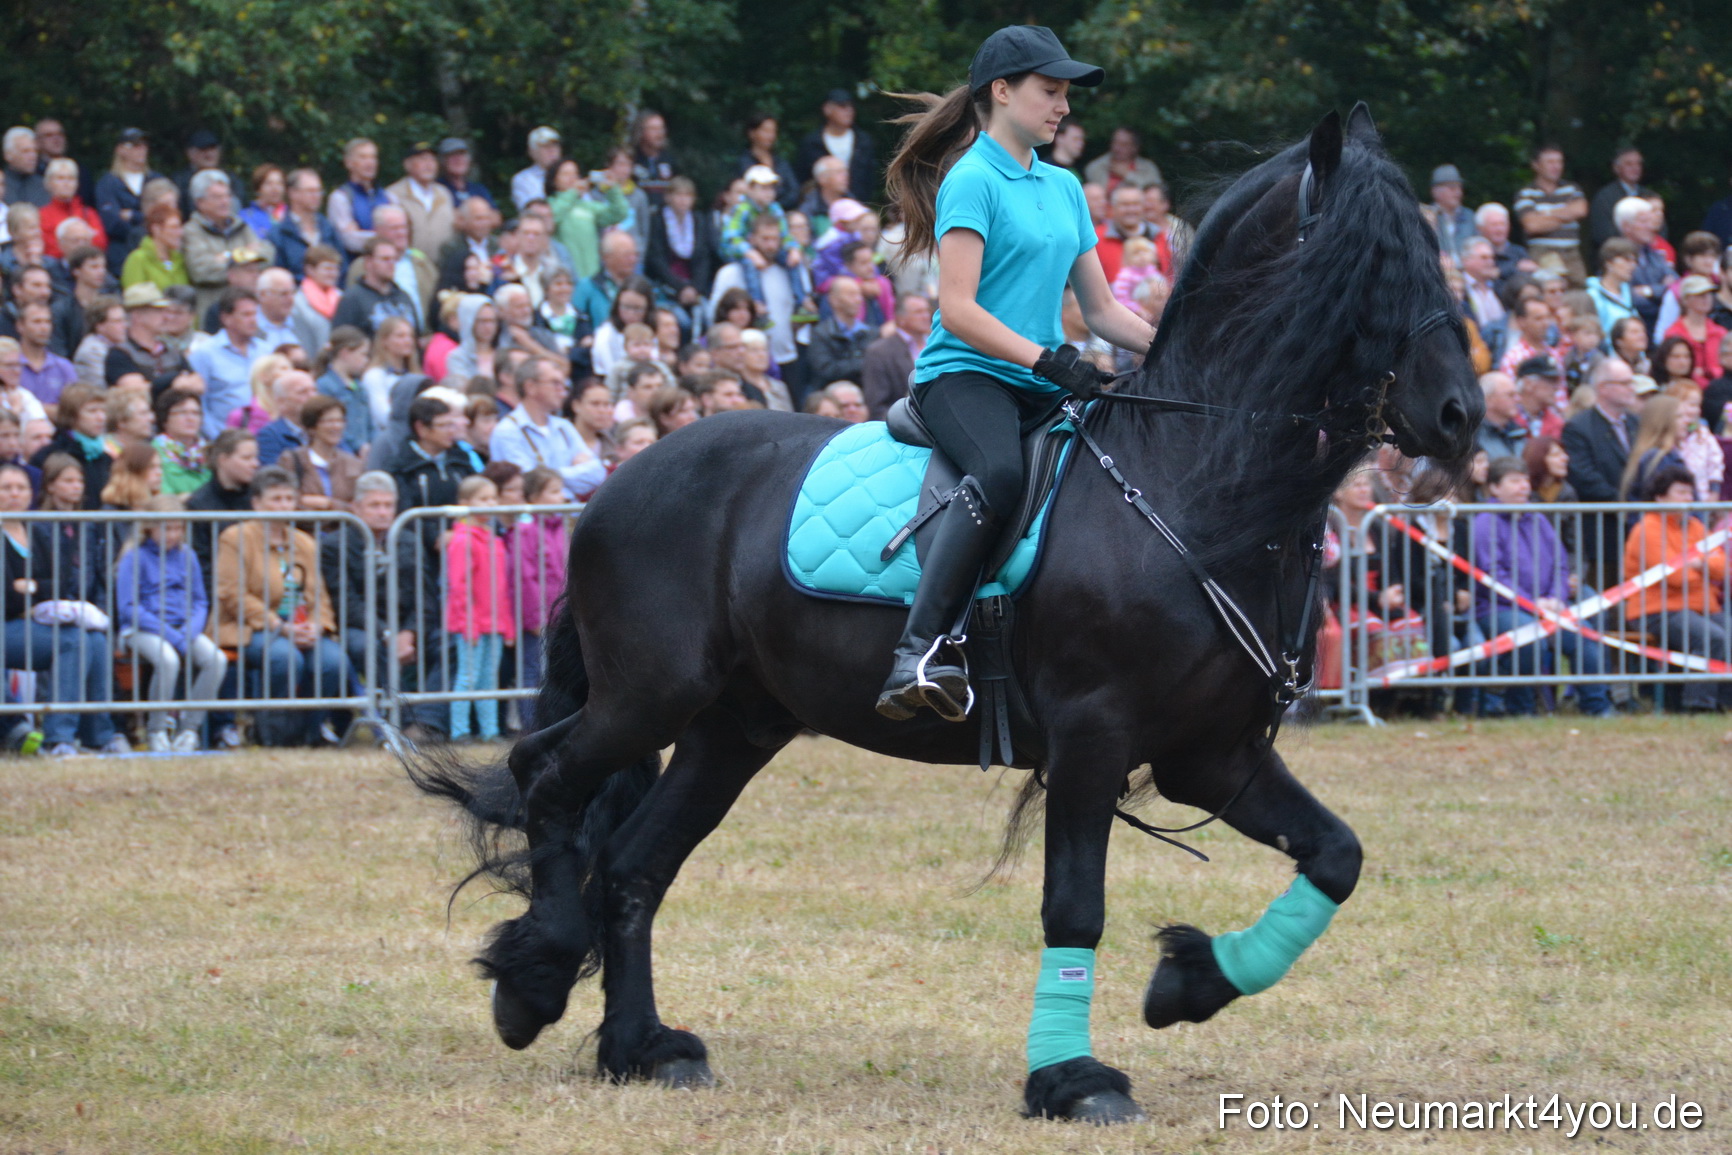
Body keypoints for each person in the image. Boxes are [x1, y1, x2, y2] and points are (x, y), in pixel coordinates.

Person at [211, 468, 351, 746]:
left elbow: (319, 595)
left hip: (299, 625)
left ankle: (310, 732)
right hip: (251, 626)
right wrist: (278, 625)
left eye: (289, 499)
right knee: (284, 658)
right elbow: (231, 593)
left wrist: (317, 625)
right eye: (276, 499)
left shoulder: (305, 543)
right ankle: (272, 733)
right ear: (257, 503)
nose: (284, 506)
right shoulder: (235, 538)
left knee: (333, 661)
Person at [0, 462, 130, 757]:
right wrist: (32, 592)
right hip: (7, 625)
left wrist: (30, 588)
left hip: (34, 623)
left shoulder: (39, 532)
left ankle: (99, 735)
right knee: (73, 641)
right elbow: (6, 596)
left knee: (95, 640)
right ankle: (59, 738)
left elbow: (59, 583)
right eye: (6, 488)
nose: (14, 494)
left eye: (20, 488)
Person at [1471, 456, 1613, 718]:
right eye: (1514, 481)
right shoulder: (1484, 523)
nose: (1523, 486)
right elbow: (1493, 576)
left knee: (1586, 638)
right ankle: (1522, 709)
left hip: (1548, 605)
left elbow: (1560, 563)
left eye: (1525, 480)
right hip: (1499, 609)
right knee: (1529, 640)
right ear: (1494, 488)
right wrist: (1531, 604)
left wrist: (1556, 598)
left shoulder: (1538, 519)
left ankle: (1597, 706)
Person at [113, 495, 227, 752]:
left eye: (178, 528)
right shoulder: (134, 557)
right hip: (142, 629)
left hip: (183, 628)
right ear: (149, 528)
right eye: (166, 528)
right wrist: (172, 636)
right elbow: (128, 607)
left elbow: (200, 601)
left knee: (215, 660)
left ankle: (189, 729)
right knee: (168, 659)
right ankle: (156, 730)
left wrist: (190, 630)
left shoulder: (188, 556)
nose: (173, 535)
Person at [1623, 464, 1732, 710]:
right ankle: (1699, 704)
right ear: (1660, 497)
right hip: (1657, 609)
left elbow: (1724, 567)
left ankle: (1724, 702)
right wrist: (1704, 568)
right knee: (1712, 637)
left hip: (1700, 606)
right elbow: (1674, 576)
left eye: (1690, 493)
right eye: (1681, 492)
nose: (1688, 499)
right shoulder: (1647, 529)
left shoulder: (1696, 527)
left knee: (1728, 633)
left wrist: (1697, 563)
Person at [441, 473, 512, 741]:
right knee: (467, 677)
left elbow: (502, 588)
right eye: (483, 498)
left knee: (488, 679)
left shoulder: (494, 541)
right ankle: (459, 731)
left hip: (493, 622)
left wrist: (506, 623)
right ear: (465, 502)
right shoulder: (462, 541)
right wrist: (466, 622)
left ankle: (490, 730)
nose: (491, 504)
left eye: (493, 497)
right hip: (470, 623)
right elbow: (459, 586)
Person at [488, 357, 603, 499]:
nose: (563, 391)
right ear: (530, 387)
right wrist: (576, 470)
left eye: (563, 384)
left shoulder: (564, 426)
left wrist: (548, 475)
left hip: (569, 516)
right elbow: (528, 483)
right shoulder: (507, 431)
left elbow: (598, 473)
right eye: (555, 383)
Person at [506, 465, 568, 726]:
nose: (561, 497)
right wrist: (534, 617)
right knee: (531, 669)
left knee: (554, 669)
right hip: (537, 617)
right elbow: (524, 577)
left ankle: (551, 721)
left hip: (558, 613)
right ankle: (531, 723)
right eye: (554, 492)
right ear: (533, 497)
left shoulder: (558, 527)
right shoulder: (526, 530)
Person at [183, 170, 272, 316]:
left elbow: (268, 255)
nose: (225, 201)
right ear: (200, 203)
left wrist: (226, 258)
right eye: (217, 197)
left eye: (227, 195)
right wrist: (243, 259)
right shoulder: (192, 231)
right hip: (214, 311)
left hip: (249, 310)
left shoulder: (241, 226)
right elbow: (201, 271)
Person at [189, 287, 265, 436]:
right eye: (246, 315)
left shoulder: (266, 351)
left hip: (264, 437)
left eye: (255, 314)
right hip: (223, 438)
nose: (253, 320)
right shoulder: (205, 354)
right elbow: (199, 404)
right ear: (226, 318)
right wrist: (217, 438)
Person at [185, 428, 259, 580]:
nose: (255, 464)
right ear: (223, 459)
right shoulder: (198, 504)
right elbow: (201, 561)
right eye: (247, 458)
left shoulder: (258, 497)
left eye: (255, 457)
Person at [1514, 145, 1588, 288]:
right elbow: (1532, 225)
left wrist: (1546, 214)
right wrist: (1566, 214)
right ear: (1535, 165)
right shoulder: (1526, 193)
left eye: (1559, 162)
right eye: (1550, 162)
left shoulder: (1572, 189)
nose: (1556, 166)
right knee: (1550, 290)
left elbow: (1581, 209)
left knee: (1579, 292)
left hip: (1572, 253)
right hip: (1542, 253)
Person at [278, 392, 363, 514]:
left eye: (340, 421)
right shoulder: (291, 460)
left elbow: (358, 508)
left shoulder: (353, 463)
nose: (336, 426)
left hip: (341, 531)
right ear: (312, 426)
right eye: (329, 421)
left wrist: (327, 503)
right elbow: (288, 502)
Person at [30, 385, 112, 508]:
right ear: (72, 415)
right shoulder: (48, 455)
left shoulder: (106, 458)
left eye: (103, 411)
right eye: (92, 411)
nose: (101, 417)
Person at [795, 88, 878, 203]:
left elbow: (869, 177)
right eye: (842, 106)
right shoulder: (812, 143)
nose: (849, 111)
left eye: (851, 106)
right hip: (820, 208)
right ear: (827, 109)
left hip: (857, 206)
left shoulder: (863, 141)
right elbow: (803, 178)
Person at [860, 292, 931, 420]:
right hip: (904, 423)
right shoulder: (879, 352)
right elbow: (877, 406)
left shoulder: (935, 345)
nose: (926, 316)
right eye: (918, 312)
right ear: (900, 318)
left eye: (927, 311)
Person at [267, 168, 343, 281]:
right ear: (293, 193)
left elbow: (342, 268)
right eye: (310, 191)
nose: (316, 196)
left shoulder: (329, 230)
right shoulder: (278, 234)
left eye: (319, 191)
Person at [327, 138, 397, 257]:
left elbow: (400, 234)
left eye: (373, 157)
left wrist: (362, 234)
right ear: (348, 163)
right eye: (363, 157)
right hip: (356, 267)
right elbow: (349, 240)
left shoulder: (389, 197)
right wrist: (385, 235)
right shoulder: (341, 198)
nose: (370, 162)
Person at [386, 142, 455, 260]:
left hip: (444, 268)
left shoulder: (444, 194)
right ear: (407, 165)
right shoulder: (393, 195)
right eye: (422, 159)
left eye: (432, 160)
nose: (429, 165)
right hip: (410, 267)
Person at [806, 276, 875, 386]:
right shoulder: (821, 334)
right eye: (851, 295)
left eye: (859, 294)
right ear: (834, 300)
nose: (858, 300)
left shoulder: (871, 333)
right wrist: (863, 363)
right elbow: (826, 370)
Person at [1663, 276, 1726, 388]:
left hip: (1718, 390)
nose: (1706, 298)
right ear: (1685, 300)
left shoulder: (1720, 332)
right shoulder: (1673, 333)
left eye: (1709, 294)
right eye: (1700, 295)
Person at [360, 316, 417, 436]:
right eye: (400, 336)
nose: (407, 341)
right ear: (384, 340)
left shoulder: (415, 374)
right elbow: (384, 417)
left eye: (410, 336)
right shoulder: (374, 376)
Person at [39, 160, 105, 259]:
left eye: (71, 178)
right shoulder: (41, 215)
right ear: (49, 183)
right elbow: (47, 248)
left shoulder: (89, 213)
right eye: (60, 178)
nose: (66, 183)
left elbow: (101, 243)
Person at [15, 301, 76, 407]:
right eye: (37, 322)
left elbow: (73, 410)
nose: (44, 328)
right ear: (20, 326)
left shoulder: (64, 367)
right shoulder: (9, 364)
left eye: (47, 322)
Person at [120, 200, 190, 292]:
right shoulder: (138, 259)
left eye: (180, 227)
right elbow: (134, 298)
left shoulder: (179, 259)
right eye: (174, 227)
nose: (180, 233)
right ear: (156, 229)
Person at [255, 369, 319, 466]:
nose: (312, 397)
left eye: (314, 390)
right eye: (303, 392)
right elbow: (273, 477)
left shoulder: (325, 429)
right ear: (281, 402)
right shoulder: (270, 436)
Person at [736, 114, 801, 208]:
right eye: (766, 131)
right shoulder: (743, 162)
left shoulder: (781, 162)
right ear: (752, 133)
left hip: (783, 211)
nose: (771, 136)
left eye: (773, 131)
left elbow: (794, 190)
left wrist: (775, 206)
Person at [153, 388, 209, 495]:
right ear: (165, 418)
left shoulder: (210, 451)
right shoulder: (154, 452)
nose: (190, 418)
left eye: (196, 413)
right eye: (182, 413)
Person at [1083, 125, 1162, 193]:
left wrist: (1127, 175)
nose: (1117, 148)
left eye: (1124, 144)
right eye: (1115, 142)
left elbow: (1154, 192)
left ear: (1135, 147)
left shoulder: (1148, 168)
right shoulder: (1095, 167)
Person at [444, 294, 500, 389]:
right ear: (469, 321)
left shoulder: (503, 351)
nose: (488, 327)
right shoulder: (458, 358)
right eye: (482, 321)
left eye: (492, 321)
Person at [73, 294, 127, 389]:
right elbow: (103, 388)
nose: (125, 326)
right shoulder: (92, 351)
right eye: (117, 321)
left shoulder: (122, 345)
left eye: (124, 320)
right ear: (99, 326)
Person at [1476, 371, 1525, 459]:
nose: (1518, 399)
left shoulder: (1519, 431)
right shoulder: (1474, 437)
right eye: (1510, 395)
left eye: (1517, 394)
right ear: (1488, 400)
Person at [512, 126, 563, 212]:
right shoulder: (523, 179)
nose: (552, 150)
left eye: (555, 145)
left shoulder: (571, 176)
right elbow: (536, 212)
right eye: (545, 146)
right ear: (532, 152)